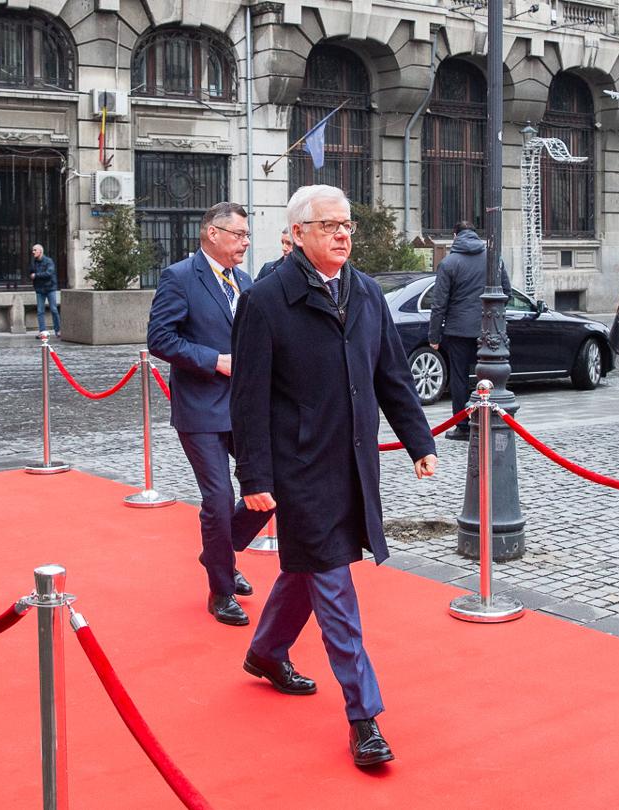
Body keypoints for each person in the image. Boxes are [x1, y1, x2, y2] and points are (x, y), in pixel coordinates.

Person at [232, 183, 437, 769]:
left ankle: (267, 651)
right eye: (328, 225)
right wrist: (254, 476)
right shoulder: (267, 300)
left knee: (307, 568)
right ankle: (363, 716)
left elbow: (391, 374)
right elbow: (247, 402)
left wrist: (418, 441)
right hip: (299, 470)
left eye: (346, 224)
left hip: (353, 462)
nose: (343, 234)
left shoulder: (367, 293)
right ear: (297, 234)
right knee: (333, 586)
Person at [146, 201, 274, 627]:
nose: (245, 243)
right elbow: (160, 338)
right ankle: (221, 589)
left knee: (272, 487)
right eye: (238, 235)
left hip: (245, 407)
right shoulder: (179, 278)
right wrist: (213, 360)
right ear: (212, 234)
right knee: (218, 502)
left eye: (246, 236)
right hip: (201, 409)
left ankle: (218, 552)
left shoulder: (245, 281)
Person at [427, 221, 487, 438]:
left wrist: (434, 337)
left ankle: (462, 426)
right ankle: (487, 421)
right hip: (486, 329)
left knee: (460, 378)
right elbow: (506, 290)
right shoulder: (491, 258)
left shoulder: (449, 263)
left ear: (455, 236)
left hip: (458, 331)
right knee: (487, 377)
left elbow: (439, 304)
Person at [30, 244, 60, 336]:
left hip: (50, 288)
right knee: (40, 311)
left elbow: (49, 273)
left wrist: (36, 275)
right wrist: (33, 274)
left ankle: (58, 330)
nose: (33, 252)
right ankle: (42, 331)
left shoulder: (48, 261)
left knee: (54, 309)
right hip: (39, 289)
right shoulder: (34, 262)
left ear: (40, 251)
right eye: (33, 250)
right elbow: (31, 272)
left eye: (35, 250)